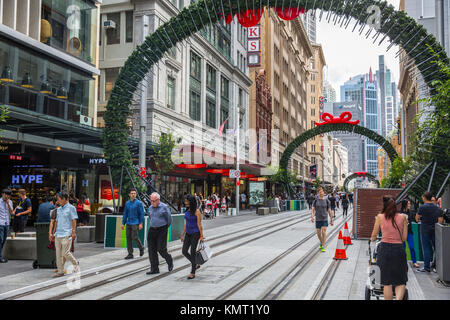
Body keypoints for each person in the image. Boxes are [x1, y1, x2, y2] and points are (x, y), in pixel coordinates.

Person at [370, 197, 408, 300]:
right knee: (400, 280)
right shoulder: (403, 217)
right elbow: (404, 238)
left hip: (384, 250)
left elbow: (373, 236)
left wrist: (372, 238)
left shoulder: (380, 217)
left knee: (387, 282)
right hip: (399, 250)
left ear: (385, 206)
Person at [51, 192, 79, 278]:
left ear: (64, 199)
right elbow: (56, 221)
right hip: (58, 234)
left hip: (67, 233)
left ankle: (75, 263)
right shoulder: (58, 209)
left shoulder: (71, 208)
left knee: (65, 253)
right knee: (58, 254)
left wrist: (73, 232)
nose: (57, 201)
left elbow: (74, 220)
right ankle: (60, 271)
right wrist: (53, 232)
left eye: (58, 199)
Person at [415, 191, 444, 272]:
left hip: (424, 229)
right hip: (435, 230)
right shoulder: (437, 208)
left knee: (426, 249)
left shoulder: (422, 207)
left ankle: (427, 267)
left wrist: (421, 220)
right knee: (437, 249)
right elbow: (440, 220)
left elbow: (417, 218)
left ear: (424, 197)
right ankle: (437, 267)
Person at [146, 192, 173, 275]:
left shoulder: (164, 207)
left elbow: (169, 219)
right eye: (151, 201)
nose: (152, 203)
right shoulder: (150, 208)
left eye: (154, 201)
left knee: (161, 249)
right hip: (152, 230)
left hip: (162, 229)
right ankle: (154, 268)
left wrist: (164, 228)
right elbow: (151, 217)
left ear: (158, 200)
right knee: (151, 250)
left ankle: (169, 259)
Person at [181, 194, 204, 280]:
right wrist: (182, 234)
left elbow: (199, 224)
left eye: (187, 201)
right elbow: (185, 224)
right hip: (188, 233)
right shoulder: (187, 211)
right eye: (185, 201)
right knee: (184, 251)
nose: (185, 202)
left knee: (193, 251)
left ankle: (193, 272)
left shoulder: (197, 211)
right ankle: (195, 264)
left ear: (191, 202)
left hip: (195, 233)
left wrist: (201, 236)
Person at [121, 188, 145, 260]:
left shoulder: (139, 203)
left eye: (134, 193)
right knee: (128, 238)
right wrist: (123, 223)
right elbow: (125, 213)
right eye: (132, 193)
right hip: (128, 223)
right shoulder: (127, 203)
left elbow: (141, 214)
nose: (133, 194)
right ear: (129, 194)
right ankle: (130, 253)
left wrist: (141, 223)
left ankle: (141, 248)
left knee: (134, 237)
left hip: (135, 222)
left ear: (136, 194)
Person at [311, 188, 333, 252]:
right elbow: (312, 209)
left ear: (324, 193)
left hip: (324, 218)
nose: (321, 193)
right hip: (318, 219)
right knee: (318, 233)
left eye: (322, 192)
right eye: (320, 192)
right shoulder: (315, 201)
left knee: (323, 231)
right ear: (318, 193)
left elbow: (329, 210)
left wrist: (331, 219)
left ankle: (323, 245)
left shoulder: (327, 201)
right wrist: (312, 216)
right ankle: (321, 242)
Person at [401, 199, 419, 268]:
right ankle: (403, 262)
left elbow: (416, 219)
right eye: (408, 204)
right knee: (403, 248)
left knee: (412, 247)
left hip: (409, 233)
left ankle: (414, 262)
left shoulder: (411, 213)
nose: (410, 205)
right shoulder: (399, 213)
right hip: (401, 234)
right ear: (405, 204)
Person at [0, 189, 14, 263]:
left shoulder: (10, 202)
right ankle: (0, 257)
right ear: (2, 194)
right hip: (0, 223)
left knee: (3, 240)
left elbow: (12, 213)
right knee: (0, 240)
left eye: (8, 195)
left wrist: (8, 204)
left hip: (7, 223)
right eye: (6, 194)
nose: (7, 196)